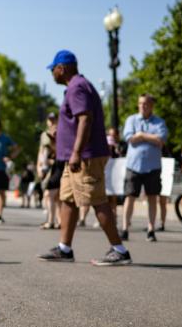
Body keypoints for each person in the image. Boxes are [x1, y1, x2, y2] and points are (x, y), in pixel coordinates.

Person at [38, 50, 131, 265]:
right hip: (76, 158)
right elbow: (77, 120)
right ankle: (64, 248)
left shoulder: (77, 87)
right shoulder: (76, 87)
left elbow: (85, 120)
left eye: (53, 69)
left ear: (62, 68)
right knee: (68, 199)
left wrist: (77, 152)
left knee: (96, 199)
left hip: (84, 157)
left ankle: (120, 250)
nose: (52, 74)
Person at [121, 94, 168, 242]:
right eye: (140, 103)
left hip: (153, 166)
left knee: (152, 197)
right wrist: (148, 137)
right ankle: (124, 228)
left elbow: (161, 139)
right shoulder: (131, 120)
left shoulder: (159, 122)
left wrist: (141, 135)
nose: (143, 106)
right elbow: (130, 138)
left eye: (146, 104)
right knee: (130, 197)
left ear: (151, 106)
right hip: (133, 165)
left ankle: (151, 229)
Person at [37, 112, 62, 230]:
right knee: (54, 196)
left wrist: (54, 139)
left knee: (50, 194)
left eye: (54, 119)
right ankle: (58, 221)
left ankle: (51, 221)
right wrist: (39, 165)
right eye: (50, 119)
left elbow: (59, 152)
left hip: (58, 166)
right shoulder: (44, 135)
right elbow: (41, 151)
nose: (51, 122)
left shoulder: (61, 133)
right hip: (49, 168)